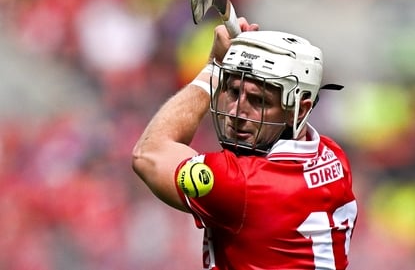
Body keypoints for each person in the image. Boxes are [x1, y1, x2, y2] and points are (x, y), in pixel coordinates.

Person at [132, 17, 358, 270]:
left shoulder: (240, 184)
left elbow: (148, 153)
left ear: (300, 109)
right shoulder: (334, 156)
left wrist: (214, 66)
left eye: (258, 101)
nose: (238, 111)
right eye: (233, 91)